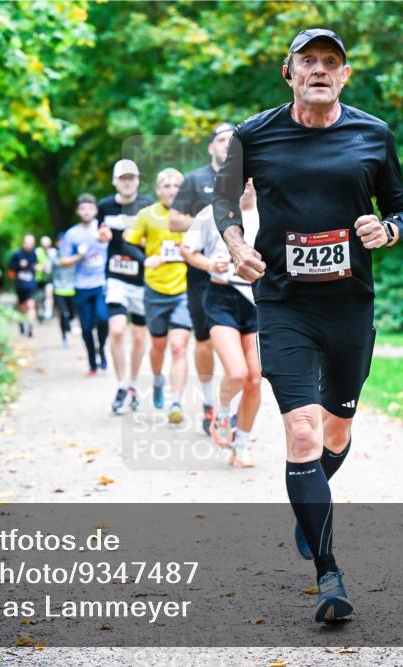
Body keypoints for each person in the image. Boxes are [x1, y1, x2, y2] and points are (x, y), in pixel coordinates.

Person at [213, 28, 403, 622]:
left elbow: (400, 206)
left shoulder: (373, 134)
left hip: (350, 303)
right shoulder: (255, 135)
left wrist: (389, 230)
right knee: (300, 433)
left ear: (344, 76)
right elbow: (224, 202)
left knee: (336, 431)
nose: (320, 69)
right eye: (309, 61)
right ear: (290, 73)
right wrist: (235, 243)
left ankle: (311, 497)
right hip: (282, 301)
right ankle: (329, 574)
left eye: (332, 62)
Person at [181, 179, 261, 468]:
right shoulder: (213, 213)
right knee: (237, 373)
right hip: (221, 299)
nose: (249, 184)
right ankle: (222, 412)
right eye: (244, 178)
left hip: (256, 302)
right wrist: (208, 265)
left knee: (255, 379)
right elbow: (187, 250)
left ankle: (241, 445)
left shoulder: (272, 212)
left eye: (254, 178)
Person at [169, 122, 236, 435]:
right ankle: (209, 403)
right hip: (201, 275)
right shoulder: (195, 180)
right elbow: (173, 220)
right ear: (211, 146)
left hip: (240, 278)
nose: (227, 145)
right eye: (222, 140)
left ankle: (231, 409)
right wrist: (208, 220)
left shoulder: (248, 180)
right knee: (205, 342)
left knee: (241, 345)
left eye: (233, 141)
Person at [125, 168, 190, 424]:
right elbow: (129, 241)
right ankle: (158, 379)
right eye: (166, 186)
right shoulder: (146, 215)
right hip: (155, 289)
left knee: (178, 345)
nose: (171, 190)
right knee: (158, 347)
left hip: (184, 289)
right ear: (157, 189)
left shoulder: (191, 214)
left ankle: (177, 402)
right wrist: (146, 259)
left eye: (176, 185)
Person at [99, 159, 155, 412]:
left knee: (139, 334)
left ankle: (132, 382)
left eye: (131, 178)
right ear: (114, 181)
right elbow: (99, 234)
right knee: (118, 329)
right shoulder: (105, 206)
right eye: (122, 178)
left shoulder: (147, 205)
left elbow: (156, 239)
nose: (127, 182)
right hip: (116, 276)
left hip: (142, 278)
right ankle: (121, 383)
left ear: (138, 180)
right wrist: (101, 237)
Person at [62, 194, 110, 375]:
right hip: (81, 286)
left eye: (90, 208)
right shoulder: (72, 234)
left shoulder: (104, 230)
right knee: (87, 327)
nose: (86, 211)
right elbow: (64, 261)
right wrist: (79, 255)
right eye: (83, 208)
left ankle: (102, 349)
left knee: (103, 319)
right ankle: (92, 362)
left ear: (96, 210)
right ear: (77, 211)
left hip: (101, 284)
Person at [8, 235, 40, 338]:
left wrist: (37, 268)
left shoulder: (34, 254)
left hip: (31, 284)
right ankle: (22, 324)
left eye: (31, 243)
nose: (29, 245)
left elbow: (35, 266)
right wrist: (18, 265)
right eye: (27, 243)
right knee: (22, 306)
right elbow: (10, 270)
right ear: (23, 243)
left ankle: (30, 326)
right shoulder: (17, 254)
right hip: (20, 285)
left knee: (31, 304)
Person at [51, 233, 76, 347]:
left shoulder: (74, 254)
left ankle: (68, 326)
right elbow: (57, 264)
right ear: (58, 243)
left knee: (71, 315)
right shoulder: (55, 255)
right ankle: (64, 337)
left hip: (72, 289)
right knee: (64, 313)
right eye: (61, 241)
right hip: (59, 289)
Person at [37, 235, 56, 322]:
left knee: (49, 294)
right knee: (40, 297)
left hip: (50, 277)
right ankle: (40, 312)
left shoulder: (53, 252)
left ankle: (48, 314)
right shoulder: (37, 252)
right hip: (39, 278)